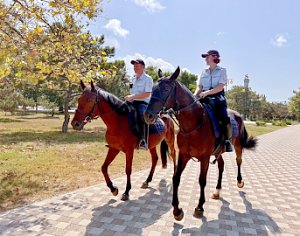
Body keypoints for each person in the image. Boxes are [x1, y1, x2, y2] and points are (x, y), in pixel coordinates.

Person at [193, 50, 233, 152]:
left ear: (214, 57)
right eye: (205, 57)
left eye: (207, 56)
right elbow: (200, 86)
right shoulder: (203, 71)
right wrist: (194, 95)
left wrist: (207, 93)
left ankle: (227, 141)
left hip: (218, 98)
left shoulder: (222, 70)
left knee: (225, 118)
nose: (205, 59)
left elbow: (220, 87)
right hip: (203, 97)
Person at [125, 59, 153, 150]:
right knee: (119, 112)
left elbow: (147, 94)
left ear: (143, 67)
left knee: (142, 116)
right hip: (132, 102)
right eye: (134, 66)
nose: (135, 67)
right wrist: (129, 97)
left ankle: (143, 141)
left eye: (137, 66)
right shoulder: (133, 78)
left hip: (143, 103)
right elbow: (132, 91)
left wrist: (132, 97)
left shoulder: (148, 79)